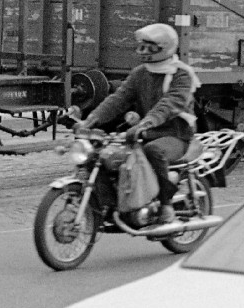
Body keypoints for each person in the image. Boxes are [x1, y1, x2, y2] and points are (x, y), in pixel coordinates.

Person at [75, 23, 200, 225]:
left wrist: (147, 123)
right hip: (145, 132)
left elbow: (169, 104)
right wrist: (91, 119)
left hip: (175, 134)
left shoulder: (181, 74)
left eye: (150, 47)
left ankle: (166, 204)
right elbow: (119, 99)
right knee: (103, 155)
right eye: (141, 47)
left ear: (165, 48)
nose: (144, 52)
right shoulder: (141, 72)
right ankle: (112, 205)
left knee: (153, 151)